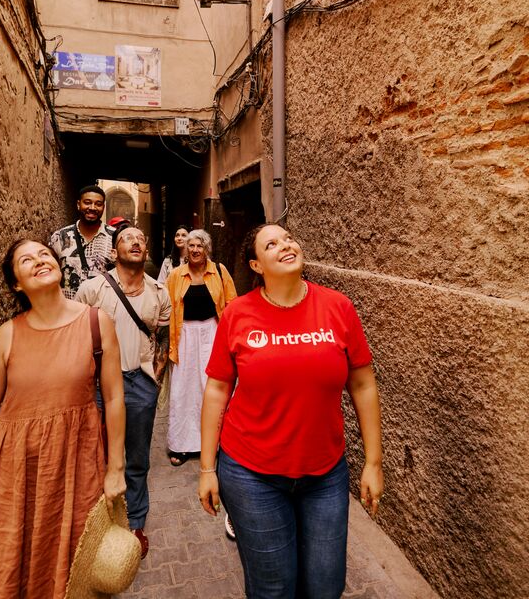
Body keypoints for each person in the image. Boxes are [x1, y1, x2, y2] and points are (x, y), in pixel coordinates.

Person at [197, 223, 384, 599]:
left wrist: (373, 462)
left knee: (325, 585)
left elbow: (363, 385)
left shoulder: (338, 307)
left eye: (288, 238)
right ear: (255, 264)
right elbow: (217, 390)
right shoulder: (238, 314)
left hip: (325, 474)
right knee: (273, 588)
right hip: (252, 475)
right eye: (271, 244)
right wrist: (206, 469)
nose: (285, 245)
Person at [0, 239, 126, 598]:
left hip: (74, 464)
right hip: (9, 471)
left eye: (43, 254)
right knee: (0, 567)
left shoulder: (97, 323)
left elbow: (114, 399)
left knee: (68, 564)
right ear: (17, 284)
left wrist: (116, 469)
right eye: (26, 260)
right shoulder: (7, 335)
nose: (39, 260)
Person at [75, 224, 170, 560]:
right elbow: (76, 337)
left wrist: (155, 376)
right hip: (100, 386)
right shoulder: (91, 290)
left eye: (142, 239)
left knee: (138, 459)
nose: (136, 242)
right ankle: (99, 524)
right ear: (114, 252)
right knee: (98, 456)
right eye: (128, 239)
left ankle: (136, 523)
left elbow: (162, 335)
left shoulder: (159, 291)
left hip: (139, 383)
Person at [165, 229, 237, 467]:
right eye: (191, 246)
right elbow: (165, 306)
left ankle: (215, 443)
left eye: (200, 246)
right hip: (183, 335)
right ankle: (182, 445)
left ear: (207, 249)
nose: (195, 250)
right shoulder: (176, 275)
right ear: (186, 249)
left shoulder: (219, 271)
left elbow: (232, 305)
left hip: (212, 333)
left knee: (211, 387)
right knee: (183, 390)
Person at [49, 185, 116, 299]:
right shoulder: (59, 237)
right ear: (78, 204)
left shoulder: (114, 237)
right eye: (87, 202)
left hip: (102, 310)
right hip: (68, 310)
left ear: (103, 207)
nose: (92, 207)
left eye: (98, 204)